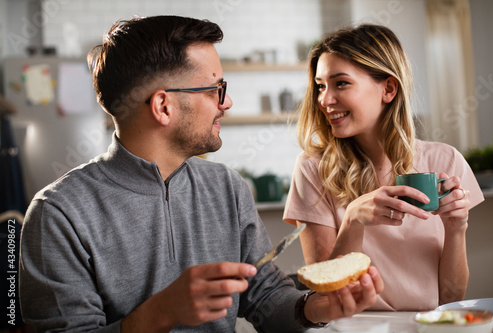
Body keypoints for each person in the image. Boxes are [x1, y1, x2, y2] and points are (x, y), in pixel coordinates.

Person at [19, 16, 384, 332]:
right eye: (215, 90)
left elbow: (266, 298)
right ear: (163, 106)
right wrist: (160, 313)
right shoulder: (59, 213)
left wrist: (316, 308)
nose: (227, 103)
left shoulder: (226, 187)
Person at [283, 24, 484, 311]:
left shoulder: (446, 162)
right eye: (320, 86)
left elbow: (450, 299)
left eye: (341, 83)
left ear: (388, 89)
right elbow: (327, 298)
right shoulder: (312, 169)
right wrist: (353, 219)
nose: (324, 100)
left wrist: (456, 229)